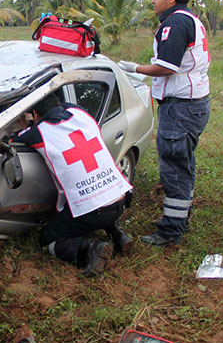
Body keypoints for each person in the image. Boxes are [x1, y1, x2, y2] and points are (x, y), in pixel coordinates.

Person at [117, 0, 210, 247]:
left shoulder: (176, 23)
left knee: (174, 167)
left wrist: (136, 69)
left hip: (180, 107)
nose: (153, 1)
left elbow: (167, 66)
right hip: (193, 104)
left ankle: (170, 231)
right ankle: (181, 218)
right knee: (184, 163)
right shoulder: (190, 19)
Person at [11, 93, 134, 276]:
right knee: (100, 194)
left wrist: (25, 125)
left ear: (34, 114)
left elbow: (12, 141)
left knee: (48, 238)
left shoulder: (38, 134)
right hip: (120, 198)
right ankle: (118, 234)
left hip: (93, 212)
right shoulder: (79, 113)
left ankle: (90, 248)